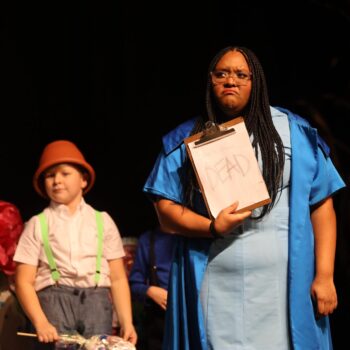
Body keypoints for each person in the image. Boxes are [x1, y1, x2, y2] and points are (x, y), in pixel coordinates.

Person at [143, 46, 346, 349]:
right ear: (210, 81)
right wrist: (211, 227)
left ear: (257, 82)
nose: (230, 81)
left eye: (241, 74)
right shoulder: (187, 140)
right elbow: (165, 211)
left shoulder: (295, 133)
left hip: (283, 292)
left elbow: (321, 204)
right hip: (215, 289)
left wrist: (325, 275)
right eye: (221, 73)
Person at [13, 140, 137, 349]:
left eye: (64, 173)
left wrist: (127, 321)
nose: (57, 181)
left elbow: (117, 278)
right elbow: (24, 281)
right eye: (50, 176)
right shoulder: (37, 224)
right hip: (53, 304)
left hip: (96, 303)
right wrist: (40, 321)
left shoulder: (102, 221)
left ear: (83, 180)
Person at [128, 226, 177, 350]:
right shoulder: (148, 240)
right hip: (159, 321)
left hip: (188, 317)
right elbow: (134, 284)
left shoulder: (192, 237)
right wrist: (149, 291)